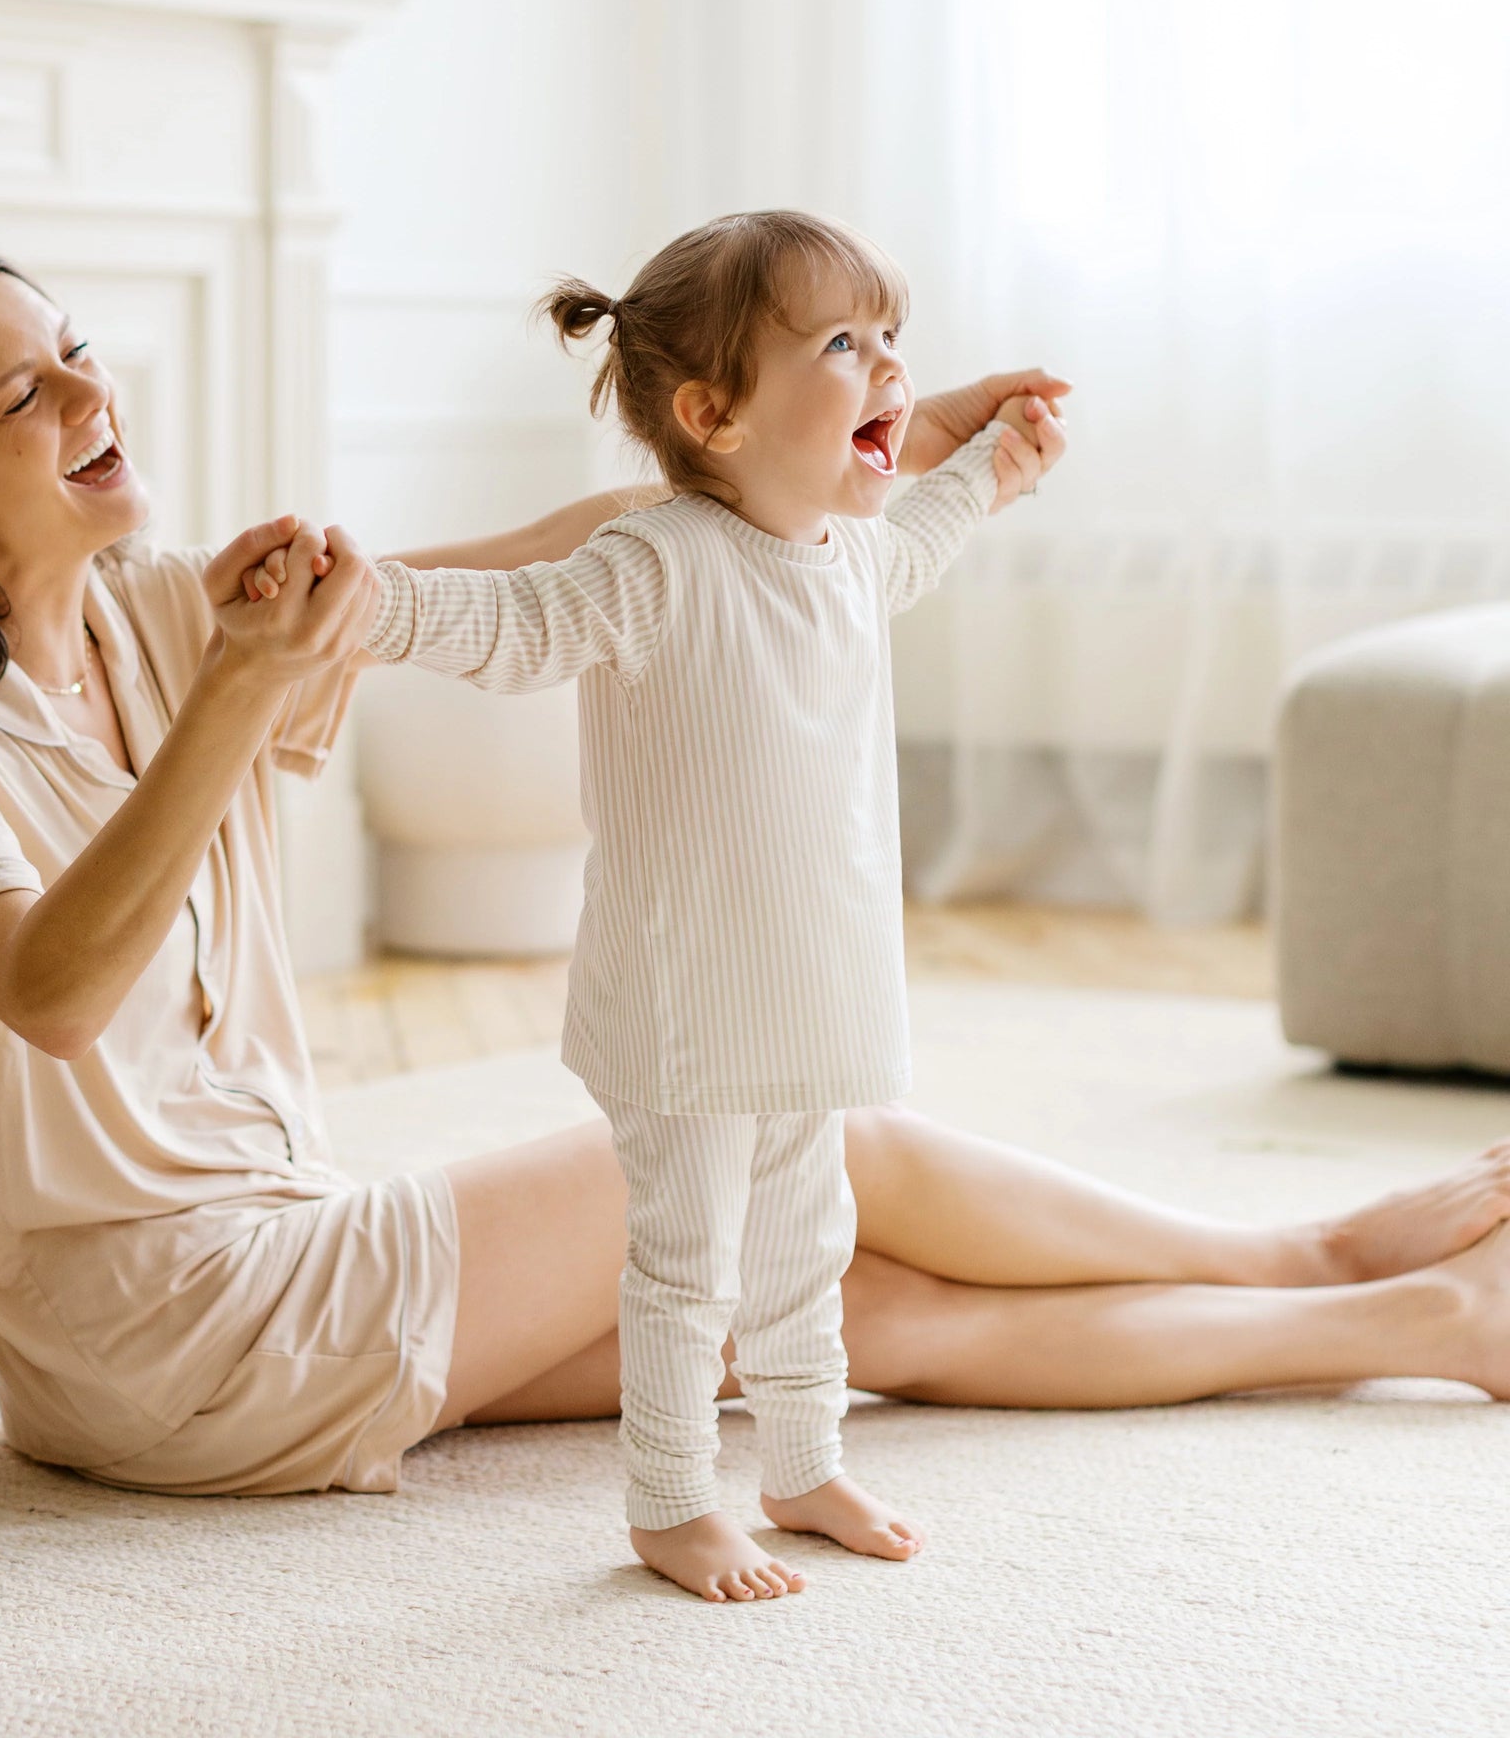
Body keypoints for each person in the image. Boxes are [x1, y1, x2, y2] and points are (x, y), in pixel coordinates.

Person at [0, 248, 1510, 1598]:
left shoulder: (140, 609)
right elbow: (49, 991)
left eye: (78, 354)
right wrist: (235, 700)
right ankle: (1321, 1255)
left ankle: (1412, 1328)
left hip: (287, 1263)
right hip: (172, 1335)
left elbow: (583, 552)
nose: (82, 391)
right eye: (22, 396)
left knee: (859, 1306)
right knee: (816, 1136)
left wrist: (876, 438)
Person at [256, 210, 1054, 1600]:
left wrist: (993, 463)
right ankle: (673, 1500)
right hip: (688, 1000)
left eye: (893, 341)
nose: (888, 374)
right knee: (687, 1263)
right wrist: (369, 603)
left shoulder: (849, 558)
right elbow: (511, 625)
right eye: (845, 346)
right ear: (713, 414)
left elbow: (927, 527)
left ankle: (803, 1462)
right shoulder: (659, 563)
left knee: (813, 1233)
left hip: (816, 981)